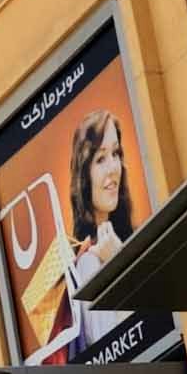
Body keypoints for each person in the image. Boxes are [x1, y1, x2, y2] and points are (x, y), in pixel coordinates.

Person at [59, 114, 142, 353]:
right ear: (84, 173)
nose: (113, 168)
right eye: (100, 158)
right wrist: (118, 266)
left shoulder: (130, 238)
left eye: (116, 154)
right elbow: (113, 350)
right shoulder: (87, 262)